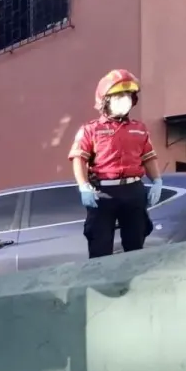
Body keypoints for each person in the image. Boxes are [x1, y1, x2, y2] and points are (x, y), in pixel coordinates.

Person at [68, 70, 163, 259]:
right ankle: (102, 286)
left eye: (128, 95)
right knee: (100, 247)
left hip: (134, 191)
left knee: (135, 245)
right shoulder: (91, 129)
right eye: (119, 96)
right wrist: (84, 186)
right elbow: (79, 158)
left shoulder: (139, 128)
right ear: (105, 100)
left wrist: (157, 181)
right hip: (103, 194)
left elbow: (149, 158)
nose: (125, 99)